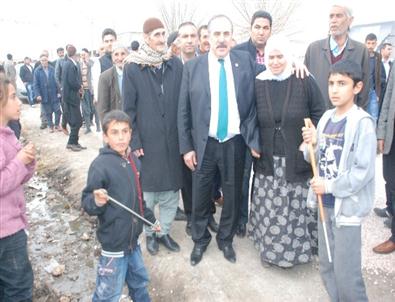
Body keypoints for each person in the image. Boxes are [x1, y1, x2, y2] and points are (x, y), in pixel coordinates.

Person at [178, 15, 260, 266]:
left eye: (226, 34)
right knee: (201, 195)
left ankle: (225, 239)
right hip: (204, 145)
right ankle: (200, 240)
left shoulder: (245, 61)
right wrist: (187, 148)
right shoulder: (193, 67)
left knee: (233, 195)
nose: (222, 39)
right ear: (208, 38)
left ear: (232, 36)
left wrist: (297, 65)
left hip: (234, 142)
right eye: (216, 34)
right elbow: (184, 110)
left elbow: (260, 94)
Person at [302, 60, 376, 302]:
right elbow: (313, 156)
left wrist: (330, 186)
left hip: (347, 209)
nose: (334, 89)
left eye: (342, 84)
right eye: (331, 83)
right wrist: (312, 142)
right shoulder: (325, 118)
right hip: (326, 204)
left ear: (357, 87)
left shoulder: (362, 123)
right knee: (327, 265)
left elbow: (361, 172)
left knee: (347, 273)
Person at [248, 35, 325, 268]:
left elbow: (320, 112)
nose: (275, 61)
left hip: (296, 157)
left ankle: (298, 253)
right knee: (271, 208)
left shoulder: (303, 78)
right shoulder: (259, 81)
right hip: (269, 159)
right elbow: (250, 116)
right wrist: (253, 141)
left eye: (280, 56)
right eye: (271, 56)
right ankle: (270, 252)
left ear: (289, 56)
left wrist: (313, 136)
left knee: (295, 208)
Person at [82, 110, 159, 302]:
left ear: (131, 133)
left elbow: (138, 200)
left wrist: (150, 219)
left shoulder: (134, 161)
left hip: (133, 243)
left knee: (139, 283)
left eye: (125, 131)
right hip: (113, 247)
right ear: (105, 136)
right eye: (115, 132)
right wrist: (96, 201)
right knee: (108, 294)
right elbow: (87, 202)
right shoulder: (100, 166)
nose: (121, 137)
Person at [123, 17, 183, 256]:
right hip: (147, 143)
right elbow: (128, 109)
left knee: (170, 194)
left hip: (173, 141)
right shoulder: (133, 67)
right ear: (146, 37)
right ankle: (150, 233)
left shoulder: (174, 64)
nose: (160, 39)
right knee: (148, 195)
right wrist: (134, 141)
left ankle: (164, 232)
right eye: (155, 34)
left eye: (162, 34)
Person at [0, 77, 36, 300]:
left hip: (11, 224)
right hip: (6, 232)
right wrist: (19, 162)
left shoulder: (8, 133)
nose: (19, 102)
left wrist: (28, 161)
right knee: (18, 290)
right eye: (13, 97)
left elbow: (18, 178)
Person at [304, 3, 369, 110]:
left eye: (339, 16)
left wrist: (357, 117)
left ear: (350, 20)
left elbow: (364, 91)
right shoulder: (313, 49)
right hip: (318, 118)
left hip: (347, 118)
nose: (333, 20)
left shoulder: (361, 51)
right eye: (331, 16)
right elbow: (304, 88)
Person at [373, 67, 395, 253]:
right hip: (392, 135)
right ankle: (391, 211)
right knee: (390, 179)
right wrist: (381, 132)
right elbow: (387, 98)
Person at [62, 45, 86, 152]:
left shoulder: (68, 63)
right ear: (75, 54)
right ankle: (71, 143)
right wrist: (80, 87)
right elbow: (72, 81)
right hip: (71, 98)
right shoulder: (70, 65)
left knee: (77, 121)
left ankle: (75, 142)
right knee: (77, 121)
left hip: (70, 97)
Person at [97, 43, 129, 122]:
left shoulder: (135, 74)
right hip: (115, 123)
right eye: (116, 54)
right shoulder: (105, 77)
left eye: (123, 54)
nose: (120, 58)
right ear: (112, 57)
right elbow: (102, 108)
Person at [33, 54, 62, 132]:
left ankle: (57, 125)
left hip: (54, 94)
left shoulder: (52, 69)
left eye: (45, 60)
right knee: (48, 112)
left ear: (47, 60)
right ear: (40, 61)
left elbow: (57, 81)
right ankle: (50, 126)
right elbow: (35, 84)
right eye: (42, 60)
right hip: (44, 95)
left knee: (58, 111)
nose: (44, 62)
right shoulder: (37, 71)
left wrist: (59, 91)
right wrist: (38, 95)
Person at [365, 33, 386, 121]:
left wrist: (378, 93)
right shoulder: (361, 56)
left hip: (373, 92)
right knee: (363, 115)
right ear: (365, 43)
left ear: (376, 44)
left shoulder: (378, 57)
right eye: (369, 43)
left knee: (374, 117)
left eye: (373, 43)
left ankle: (372, 135)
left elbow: (381, 76)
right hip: (362, 91)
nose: (370, 46)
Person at [80, 48, 100, 133]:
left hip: (92, 90)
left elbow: (92, 68)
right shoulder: (79, 64)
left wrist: (86, 61)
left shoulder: (92, 62)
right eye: (82, 54)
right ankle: (88, 127)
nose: (83, 56)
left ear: (88, 54)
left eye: (84, 54)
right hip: (84, 90)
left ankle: (98, 126)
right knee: (85, 110)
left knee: (95, 109)